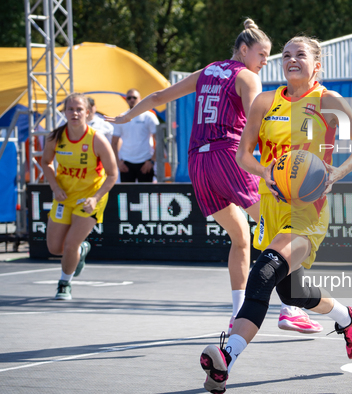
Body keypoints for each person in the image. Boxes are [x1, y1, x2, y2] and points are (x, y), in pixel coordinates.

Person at [106, 20, 324, 336]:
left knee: (241, 237)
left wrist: (127, 116)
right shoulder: (247, 78)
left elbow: (159, 97)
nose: (265, 62)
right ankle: (290, 309)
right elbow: (258, 126)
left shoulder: (208, 71)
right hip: (228, 157)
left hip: (198, 162)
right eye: (262, 54)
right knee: (283, 229)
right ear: (244, 49)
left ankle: (238, 314)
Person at [199, 35, 352, 394]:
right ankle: (349, 318)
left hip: (308, 209)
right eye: (286, 55)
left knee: (261, 275)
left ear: (317, 65)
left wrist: (336, 173)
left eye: (301, 55)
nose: (291, 60)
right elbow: (243, 155)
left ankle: (225, 358)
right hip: (271, 207)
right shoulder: (265, 102)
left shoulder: (327, 101)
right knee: (292, 292)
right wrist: (265, 172)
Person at [41, 93, 118, 300]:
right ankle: (82, 248)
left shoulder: (96, 139)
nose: (74, 113)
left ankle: (64, 283)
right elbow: (46, 162)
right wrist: (55, 187)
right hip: (64, 196)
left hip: (90, 197)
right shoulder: (55, 137)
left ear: (88, 112)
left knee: (70, 245)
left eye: (79, 109)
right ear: (64, 112)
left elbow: (113, 174)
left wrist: (95, 198)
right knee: (55, 248)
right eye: (70, 109)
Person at [111, 89, 159, 182]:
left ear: (140, 99)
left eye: (134, 97)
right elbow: (114, 142)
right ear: (126, 100)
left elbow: (159, 140)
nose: (132, 100)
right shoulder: (121, 118)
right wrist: (118, 163)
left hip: (145, 162)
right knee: (127, 195)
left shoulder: (149, 116)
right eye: (129, 98)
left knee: (146, 195)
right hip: (126, 164)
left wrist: (152, 161)